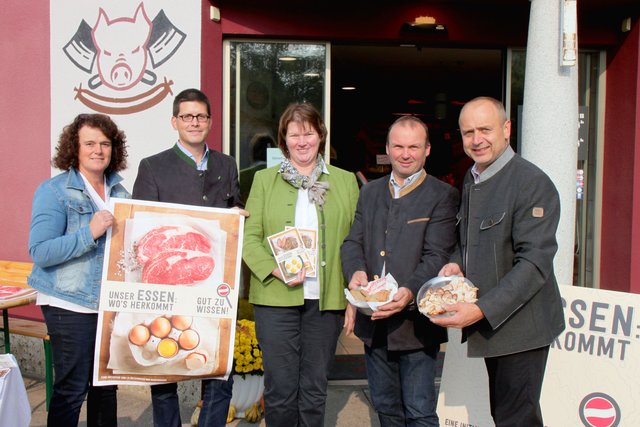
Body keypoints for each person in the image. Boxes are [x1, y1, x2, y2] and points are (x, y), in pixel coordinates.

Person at [432, 96, 566, 427]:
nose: (476, 140)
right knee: (503, 414)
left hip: (522, 328)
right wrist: (455, 263)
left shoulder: (532, 183)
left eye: (485, 129)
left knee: (516, 418)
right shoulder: (473, 177)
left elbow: (534, 265)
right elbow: (468, 237)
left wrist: (479, 310)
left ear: (506, 129)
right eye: (468, 132)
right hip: (494, 325)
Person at [132, 88, 244, 427]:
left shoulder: (226, 164)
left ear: (209, 121)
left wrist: (238, 215)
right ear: (174, 121)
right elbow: (142, 228)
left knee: (219, 368)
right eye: (187, 116)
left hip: (214, 285)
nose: (194, 122)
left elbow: (232, 211)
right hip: (167, 287)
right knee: (165, 373)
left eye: (200, 116)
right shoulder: (152, 166)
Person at [243, 102, 359, 426]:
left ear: (321, 136)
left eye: (308, 133)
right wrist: (273, 267)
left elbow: (354, 243)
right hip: (275, 297)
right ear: (284, 140)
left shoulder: (346, 181)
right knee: (279, 388)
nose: (302, 141)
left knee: (314, 388)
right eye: (294, 134)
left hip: (325, 302)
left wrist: (352, 296)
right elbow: (248, 238)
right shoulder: (264, 181)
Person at [341, 116, 459, 427]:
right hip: (374, 322)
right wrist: (355, 273)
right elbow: (354, 241)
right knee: (386, 407)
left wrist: (408, 291)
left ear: (427, 150)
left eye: (414, 147)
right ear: (388, 148)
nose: (405, 154)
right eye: (398, 146)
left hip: (416, 325)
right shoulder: (369, 192)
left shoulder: (442, 195)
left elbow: (436, 256)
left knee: (419, 410)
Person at [28, 113, 129, 426]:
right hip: (68, 304)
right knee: (72, 389)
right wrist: (89, 232)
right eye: (89, 143)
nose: (98, 150)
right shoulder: (55, 190)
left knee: (106, 386)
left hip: (108, 304)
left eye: (104, 143)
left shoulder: (120, 193)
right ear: (75, 147)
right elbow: (41, 251)